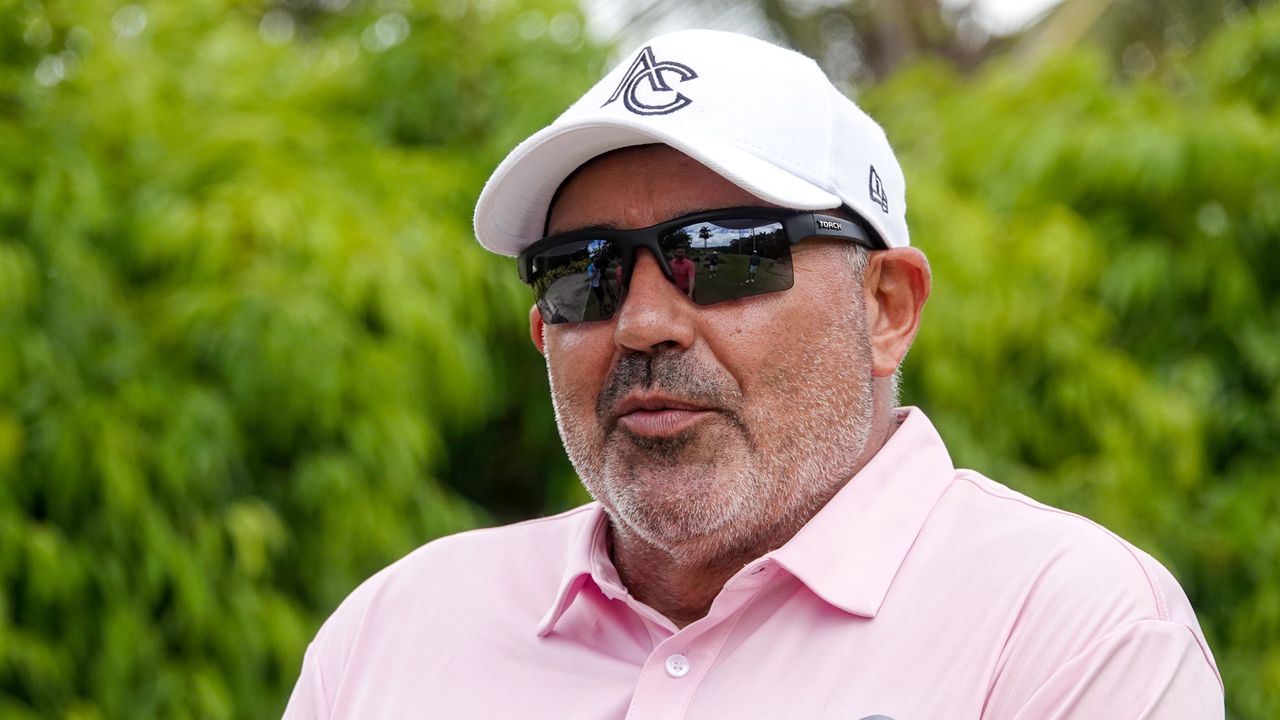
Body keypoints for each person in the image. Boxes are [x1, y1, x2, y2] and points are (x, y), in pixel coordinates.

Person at [283, 29, 1223, 719]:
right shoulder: (394, 633)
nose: (644, 323)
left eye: (724, 255)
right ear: (542, 328)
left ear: (886, 307)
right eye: (585, 272)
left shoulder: (1067, 632)